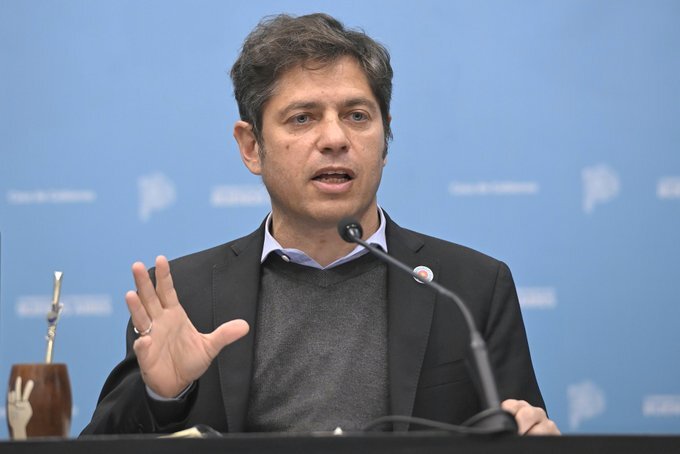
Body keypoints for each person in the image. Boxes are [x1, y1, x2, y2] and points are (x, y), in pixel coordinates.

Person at [82, 13, 559, 436]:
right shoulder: (184, 296)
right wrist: (162, 397)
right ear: (251, 147)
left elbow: (517, 430)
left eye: (357, 116)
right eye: (302, 118)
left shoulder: (469, 289)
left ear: (385, 140)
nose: (335, 138)